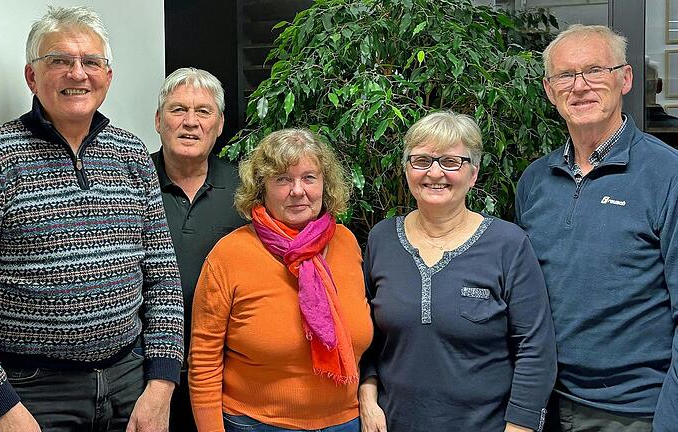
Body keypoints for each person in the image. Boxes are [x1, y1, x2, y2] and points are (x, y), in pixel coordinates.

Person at [0, 6, 183, 432]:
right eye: (59, 60)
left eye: (91, 62)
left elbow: (162, 279)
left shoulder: (132, 155)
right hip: (32, 394)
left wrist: (161, 385)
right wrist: (1, 406)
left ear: (108, 77)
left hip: (128, 383)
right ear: (31, 77)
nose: (77, 73)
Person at [515, 24, 678, 431]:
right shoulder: (534, 181)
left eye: (594, 71)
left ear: (625, 79)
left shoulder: (668, 176)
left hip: (633, 412)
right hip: (545, 403)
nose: (580, 86)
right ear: (550, 91)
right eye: (565, 76)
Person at [360, 111, 556, 432]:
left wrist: (520, 427)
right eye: (421, 160)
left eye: (451, 161)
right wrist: (367, 398)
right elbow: (364, 334)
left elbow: (535, 348)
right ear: (406, 169)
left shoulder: (508, 244)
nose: (435, 172)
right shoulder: (382, 239)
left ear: (473, 174)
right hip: (393, 423)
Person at [189, 128, 373, 432]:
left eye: (309, 178)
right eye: (282, 179)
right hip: (256, 423)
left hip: (345, 422)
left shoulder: (347, 243)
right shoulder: (230, 254)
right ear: (261, 189)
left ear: (325, 185)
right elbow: (204, 361)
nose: (297, 190)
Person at [152, 67, 246, 431]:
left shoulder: (245, 192)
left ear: (219, 124)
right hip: (142, 374)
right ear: (159, 120)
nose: (190, 122)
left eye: (203, 112)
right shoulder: (130, 183)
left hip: (226, 375)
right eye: (178, 110)